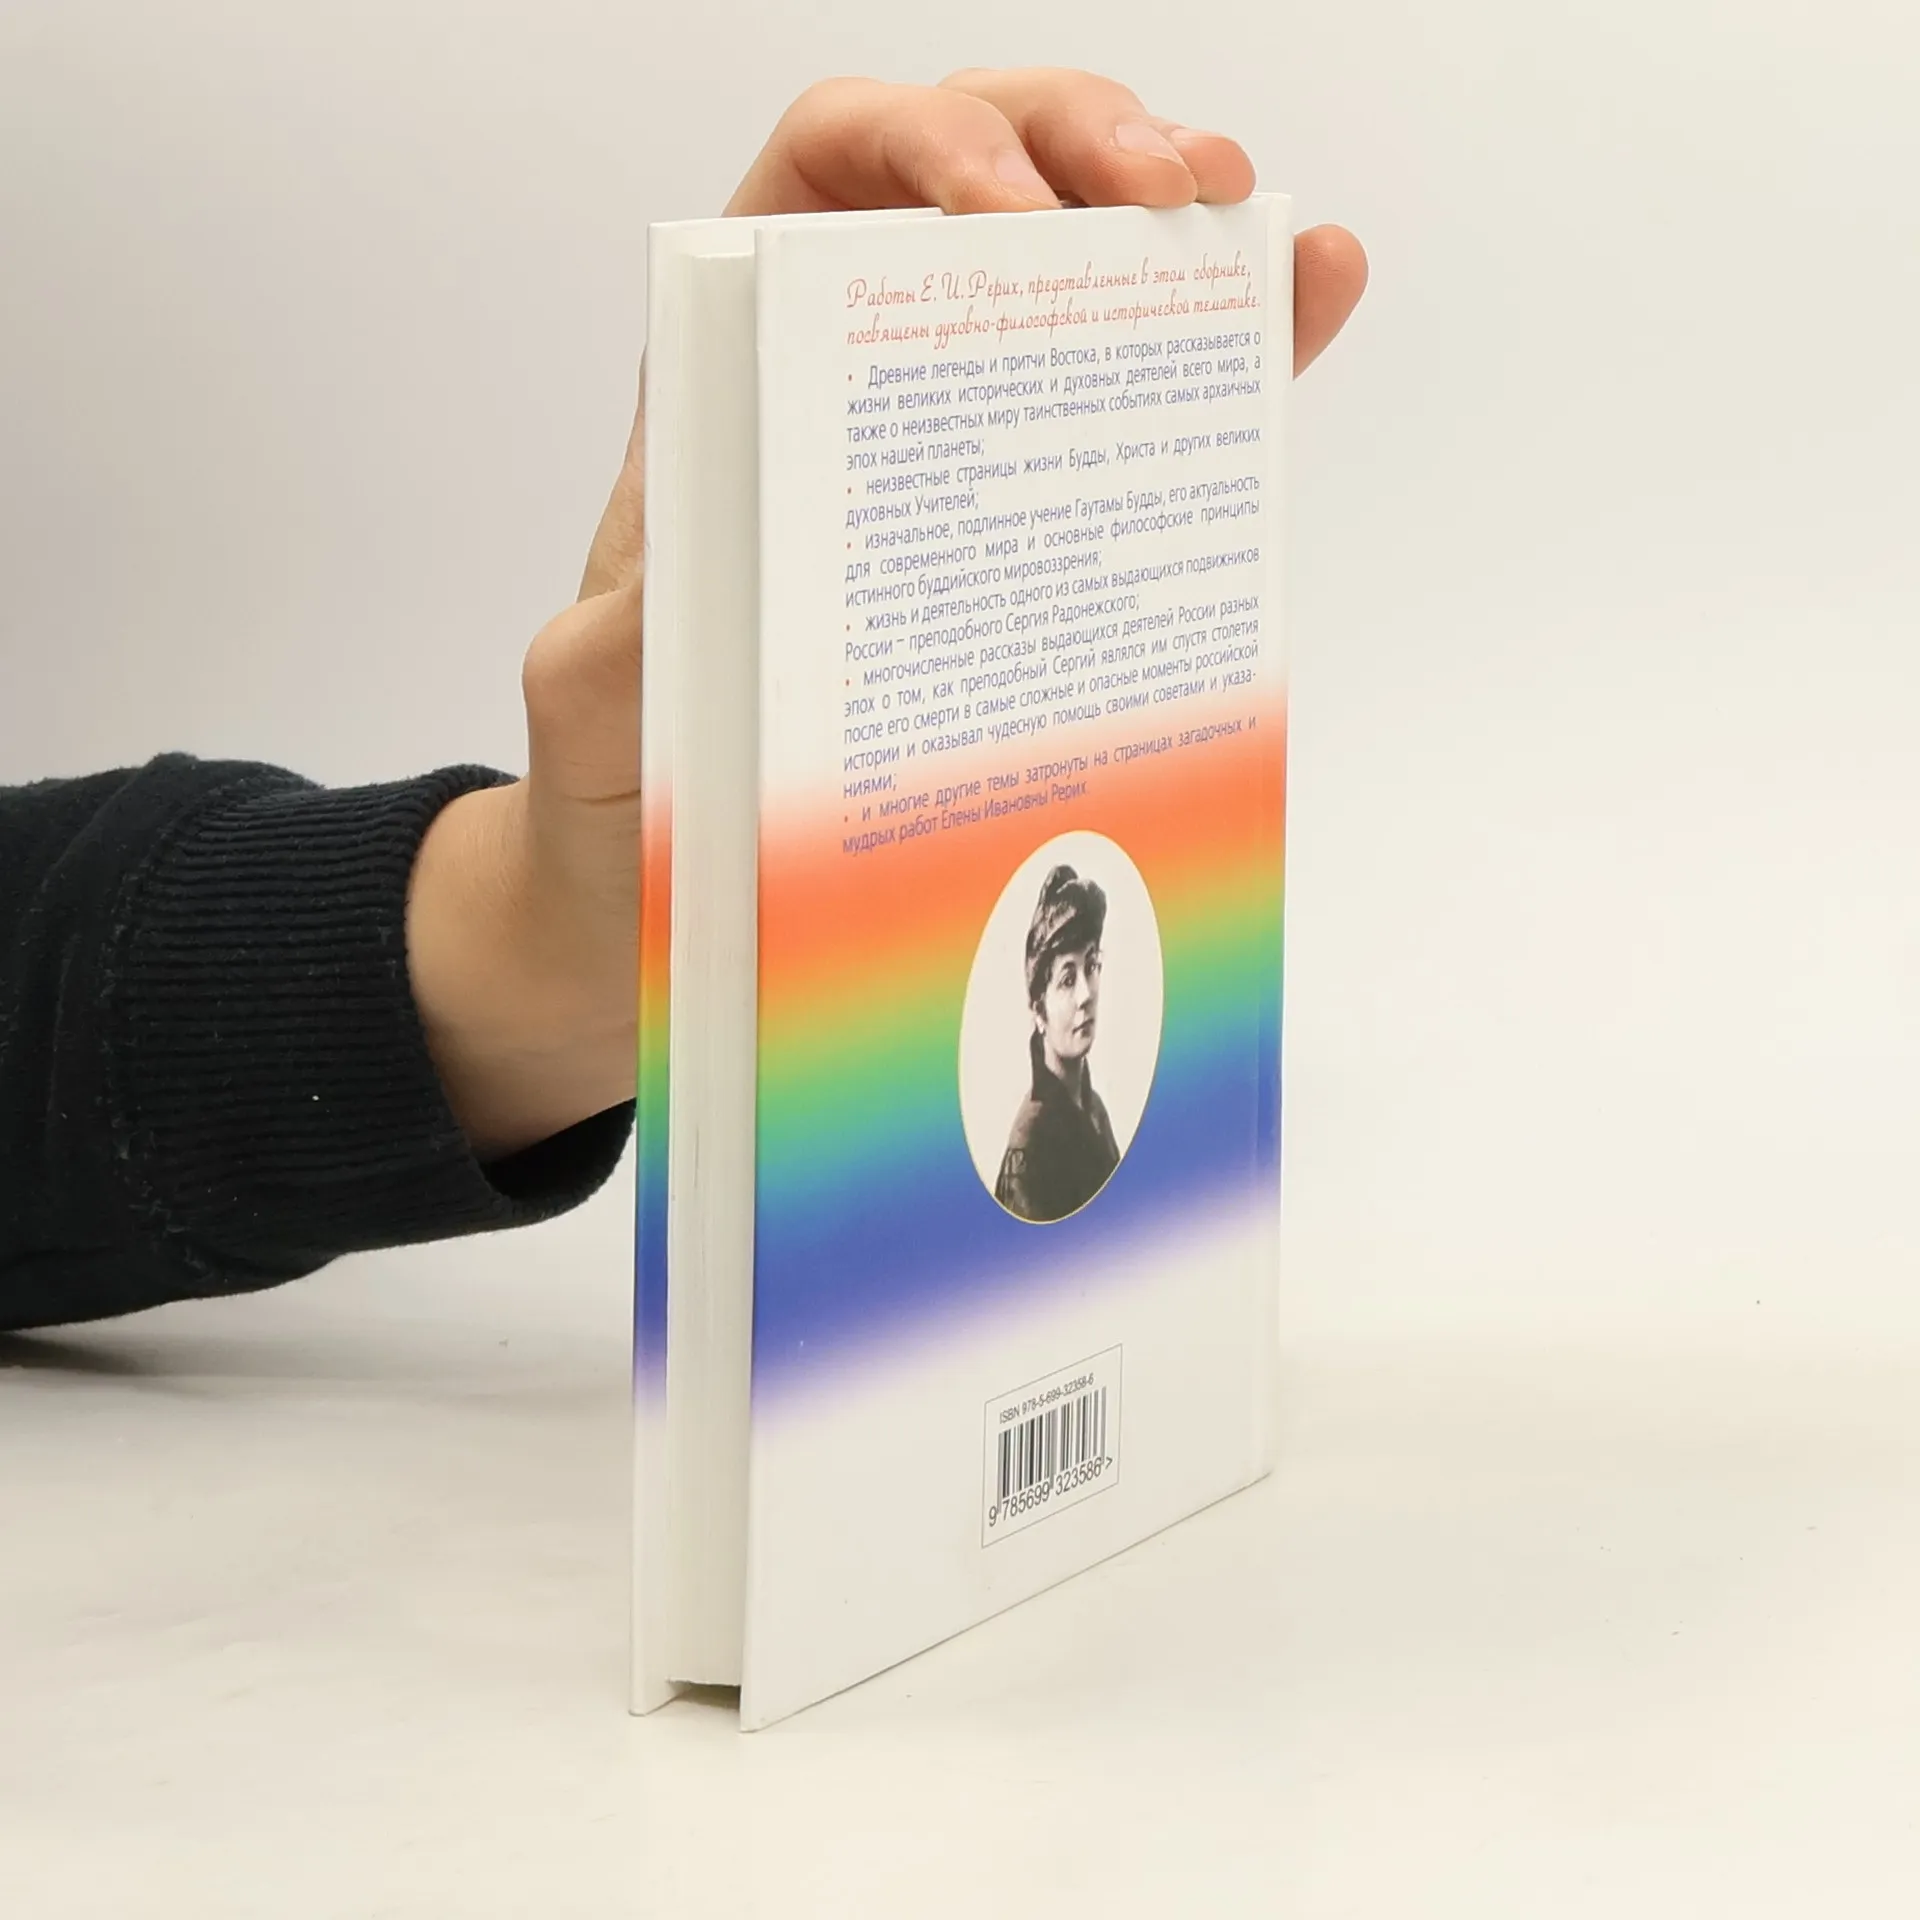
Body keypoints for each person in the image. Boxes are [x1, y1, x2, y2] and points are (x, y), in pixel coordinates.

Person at [0, 68, 1367, 1333]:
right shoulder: (1033, 1138)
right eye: (1067, 972)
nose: (1086, 997)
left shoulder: (1093, 1121)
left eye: (1092, 971)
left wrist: (549, 946)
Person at [995, 866, 1121, 1223]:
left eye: (1091, 966)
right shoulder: (1030, 1146)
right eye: (1067, 980)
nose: (1086, 994)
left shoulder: (1095, 1113)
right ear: (1039, 1011)